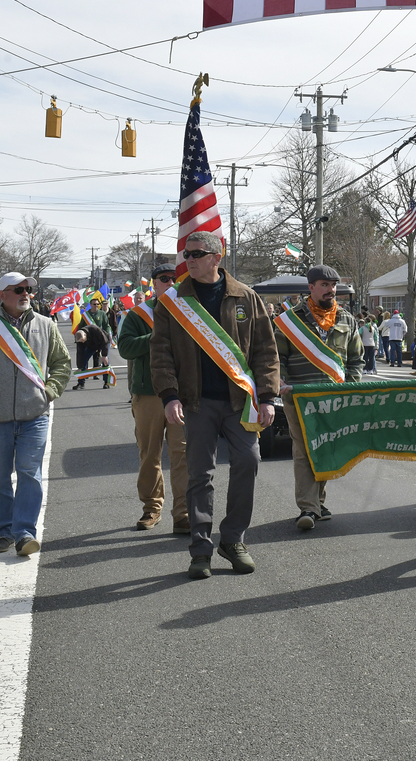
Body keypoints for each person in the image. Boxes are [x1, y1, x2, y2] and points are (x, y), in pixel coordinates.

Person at [150, 231, 280, 580]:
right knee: (200, 474)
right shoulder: (173, 302)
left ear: (216, 257)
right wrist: (169, 395)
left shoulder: (246, 297)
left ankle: (233, 539)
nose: (188, 259)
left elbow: (266, 352)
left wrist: (268, 397)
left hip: (240, 402)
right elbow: (160, 354)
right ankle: (201, 548)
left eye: (196, 253)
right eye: (186, 253)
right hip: (197, 403)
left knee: (248, 461)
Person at [0, 272, 72, 556]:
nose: (26, 294)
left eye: (28, 289)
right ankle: (5, 530)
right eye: (18, 289)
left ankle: (24, 533)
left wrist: (50, 391)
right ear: (2, 295)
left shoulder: (45, 325)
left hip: (34, 415)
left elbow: (62, 362)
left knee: (29, 474)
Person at [275, 264, 364, 531]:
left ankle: (317, 501)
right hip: (300, 398)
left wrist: (352, 389)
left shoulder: (347, 319)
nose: (330, 290)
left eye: (333, 285)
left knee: (326, 448)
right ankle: (308, 508)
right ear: (310, 287)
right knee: (303, 451)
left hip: (334, 398)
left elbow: (356, 360)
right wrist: (280, 381)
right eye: (324, 285)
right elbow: (278, 357)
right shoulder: (291, 320)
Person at [118, 265, 188, 533]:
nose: (170, 282)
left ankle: (182, 513)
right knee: (150, 455)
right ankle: (152, 508)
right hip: (148, 395)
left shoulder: (191, 310)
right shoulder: (139, 314)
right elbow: (125, 347)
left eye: (174, 279)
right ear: (154, 284)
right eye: (164, 279)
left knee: (182, 454)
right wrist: (157, 336)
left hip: (181, 394)